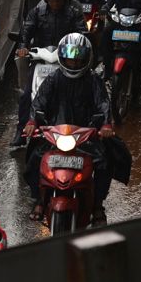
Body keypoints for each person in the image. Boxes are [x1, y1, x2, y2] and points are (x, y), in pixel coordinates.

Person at [23, 33, 120, 225]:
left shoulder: (93, 80)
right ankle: (39, 200)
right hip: (55, 135)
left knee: (104, 163)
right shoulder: (53, 78)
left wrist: (106, 125)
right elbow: (38, 102)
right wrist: (32, 121)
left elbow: (103, 104)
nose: (73, 63)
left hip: (86, 136)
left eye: (78, 59)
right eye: (69, 58)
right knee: (34, 160)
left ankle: (98, 205)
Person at [11, 0, 88, 147]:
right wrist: (23, 47)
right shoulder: (37, 12)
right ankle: (21, 131)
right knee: (25, 96)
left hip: (66, 62)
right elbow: (26, 31)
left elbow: (82, 33)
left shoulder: (74, 13)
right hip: (41, 60)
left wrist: (77, 49)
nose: (55, 2)